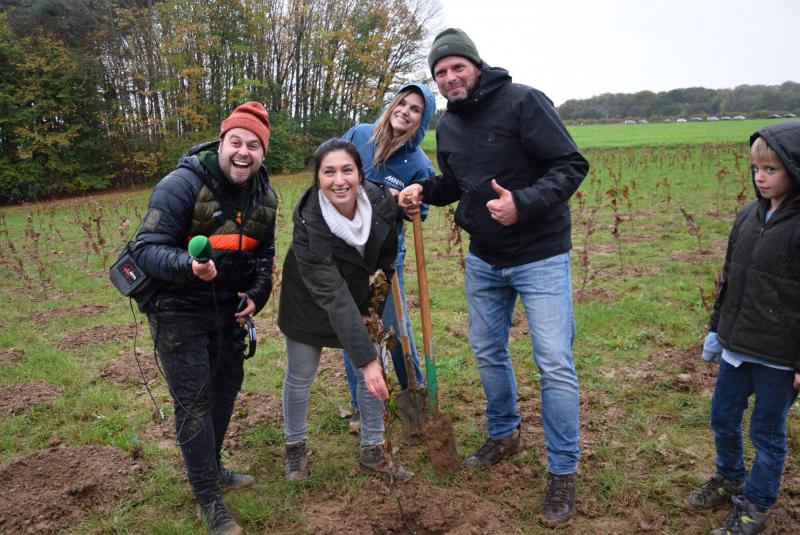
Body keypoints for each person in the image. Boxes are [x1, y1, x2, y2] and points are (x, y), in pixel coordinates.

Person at [399, 28, 589, 526]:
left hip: (541, 254)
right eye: (440, 73)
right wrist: (423, 189)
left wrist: (522, 202)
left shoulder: (524, 102)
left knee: (553, 361)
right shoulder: (449, 125)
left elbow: (571, 163)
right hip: (485, 259)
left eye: (456, 67)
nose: (449, 77)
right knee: (487, 350)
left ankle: (562, 471)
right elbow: (457, 186)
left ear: (476, 66)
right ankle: (504, 433)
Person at [132, 102, 277, 535]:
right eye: (236, 141)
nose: (243, 152)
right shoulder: (182, 184)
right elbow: (145, 247)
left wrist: (257, 295)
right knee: (194, 401)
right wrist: (189, 267)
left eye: (254, 145)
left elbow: (264, 258)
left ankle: (211, 467)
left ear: (262, 153)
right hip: (177, 307)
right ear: (222, 141)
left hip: (226, 310)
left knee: (226, 389)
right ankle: (209, 498)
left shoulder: (264, 196)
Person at [688, 121, 800, 535]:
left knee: (767, 432)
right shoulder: (747, 216)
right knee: (722, 415)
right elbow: (730, 276)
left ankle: (757, 502)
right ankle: (730, 475)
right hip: (738, 345)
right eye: (756, 168)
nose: (761, 177)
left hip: (779, 356)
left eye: (772, 169)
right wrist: (717, 328)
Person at [278, 138, 412, 482]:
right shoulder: (309, 223)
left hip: (357, 298)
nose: (339, 180)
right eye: (329, 172)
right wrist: (366, 358)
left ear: (360, 173)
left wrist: (373, 306)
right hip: (309, 301)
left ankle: (373, 449)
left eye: (347, 170)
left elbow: (386, 262)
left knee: (374, 371)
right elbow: (332, 294)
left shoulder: (382, 203)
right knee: (301, 373)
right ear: (317, 179)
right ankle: (295, 448)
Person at [340, 82, 435, 434]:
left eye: (415, 109)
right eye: (402, 103)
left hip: (386, 257)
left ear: (421, 121)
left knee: (396, 329)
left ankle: (415, 395)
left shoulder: (419, 163)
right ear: (393, 103)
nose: (405, 111)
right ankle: (361, 405)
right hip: (347, 251)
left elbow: (419, 212)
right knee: (355, 329)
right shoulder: (360, 134)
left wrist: (408, 202)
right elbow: (331, 167)